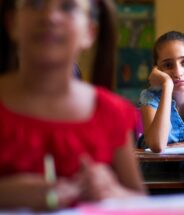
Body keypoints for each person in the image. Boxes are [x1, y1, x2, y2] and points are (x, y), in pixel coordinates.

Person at [0, 0, 145, 211]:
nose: (50, 17)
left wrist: (112, 191)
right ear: (12, 23)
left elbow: (142, 203)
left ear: (90, 32)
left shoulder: (111, 112)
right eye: (35, 4)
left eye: (67, 7)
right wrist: (8, 193)